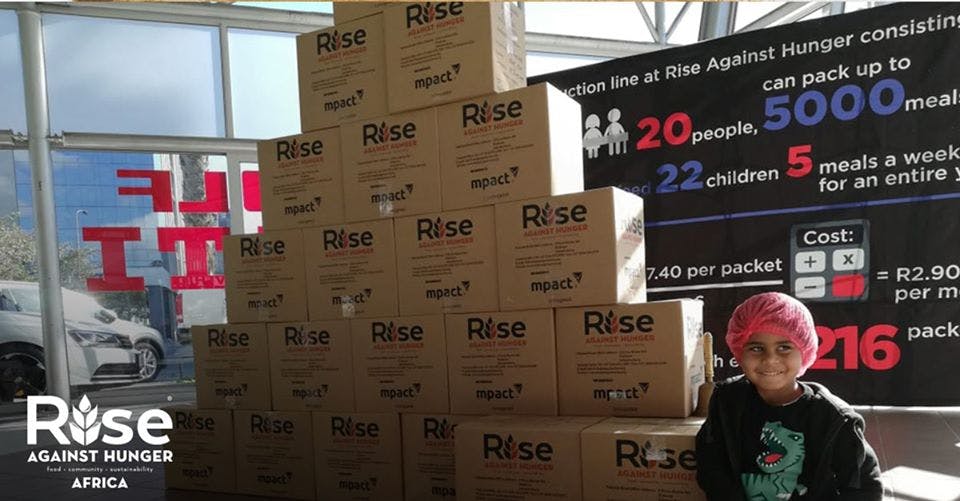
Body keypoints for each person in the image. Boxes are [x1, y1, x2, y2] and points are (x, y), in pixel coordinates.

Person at [695, 292, 883, 500]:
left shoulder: (834, 419)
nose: (770, 359)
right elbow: (711, 466)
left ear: (805, 350)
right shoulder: (727, 402)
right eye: (756, 348)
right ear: (739, 351)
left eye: (784, 347)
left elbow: (864, 487)